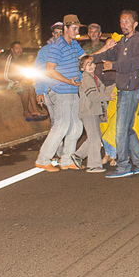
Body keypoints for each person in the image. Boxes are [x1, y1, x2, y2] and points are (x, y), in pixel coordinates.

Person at [91, 9, 139, 178]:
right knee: (127, 128)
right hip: (124, 88)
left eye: (127, 22)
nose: (124, 25)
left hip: (131, 89)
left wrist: (114, 66)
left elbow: (136, 62)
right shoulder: (123, 41)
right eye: (122, 22)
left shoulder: (137, 40)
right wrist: (93, 58)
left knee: (121, 129)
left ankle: (124, 165)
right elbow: (111, 53)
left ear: (135, 24)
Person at [34, 14, 86, 172]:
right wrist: (67, 81)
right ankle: (43, 159)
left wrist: (106, 49)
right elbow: (48, 71)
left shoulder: (74, 44)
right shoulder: (56, 47)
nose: (76, 32)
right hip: (61, 90)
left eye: (78, 29)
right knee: (61, 125)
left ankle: (66, 160)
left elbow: (85, 59)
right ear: (66, 28)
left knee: (77, 126)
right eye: (74, 28)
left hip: (73, 90)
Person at [77, 54, 114, 172]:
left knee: (95, 136)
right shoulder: (86, 79)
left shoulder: (95, 78)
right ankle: (93, 165)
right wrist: (108, 96)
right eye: (86, 64)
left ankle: (78, 156)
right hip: (89, 111)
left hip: (94, 111)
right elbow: (93, 96)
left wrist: (115, 86)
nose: (90, 66)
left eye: (91, 63)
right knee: (95, 139)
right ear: (82, 68)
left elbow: (102, 90)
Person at [35, 22, 64, 121]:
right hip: (50, 92)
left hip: (67, 92)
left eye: (61, 32)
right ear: (53, 34)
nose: (59, 35)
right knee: (56, 122)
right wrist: (39, 91)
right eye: (56, 33)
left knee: (69, 123)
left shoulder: (72, 49)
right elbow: (39, 73)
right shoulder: (44, 51)